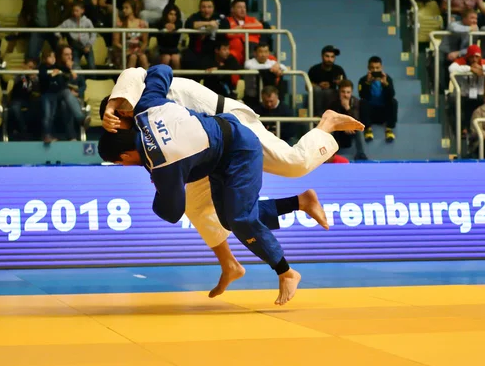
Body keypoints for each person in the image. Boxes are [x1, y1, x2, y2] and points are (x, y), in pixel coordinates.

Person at [101, 67, 365, 298]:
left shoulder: (141, 96)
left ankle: (327, 123)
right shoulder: (143, 115)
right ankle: (230, 263)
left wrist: (113, 104)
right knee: (199, 209)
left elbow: (137, 72)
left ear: (122, 112)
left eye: (116, 123)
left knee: (293, 163)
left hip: (230, 125)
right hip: (205, 150)